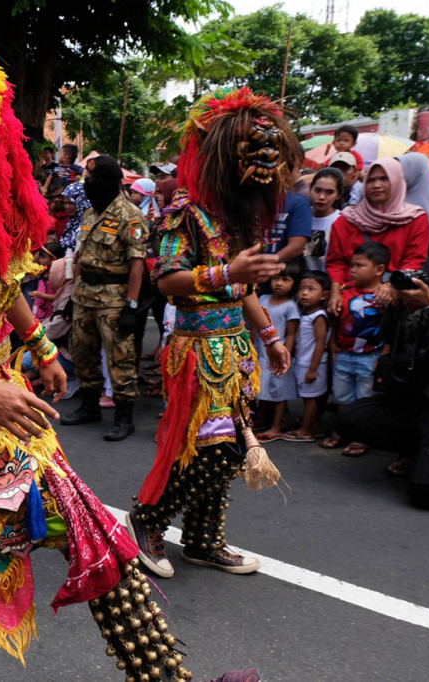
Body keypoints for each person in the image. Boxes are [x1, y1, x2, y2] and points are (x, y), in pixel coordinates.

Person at [0, 27, 260, 682]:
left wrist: (36, 345)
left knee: (100, 545)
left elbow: (4, 292)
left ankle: (169, 679)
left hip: (13, 415)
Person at [126, 87, 294, 581]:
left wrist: (270, 337)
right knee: (214, 449)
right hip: (197, 350)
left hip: (235, 350)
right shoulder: (185, 211)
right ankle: (148, 520)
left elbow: (243, 289)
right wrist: (224, 272)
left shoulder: (232, 217)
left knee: (228, 444)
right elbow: (167, 280)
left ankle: (202, 540)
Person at [335, 258, 429, 507]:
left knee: (425, 493)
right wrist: (399, 305)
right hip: (418, 401)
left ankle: (428, 457)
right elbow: (393, 340)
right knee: (353, 420)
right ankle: (419, 452)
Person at [61, 157, 147, 440]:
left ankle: (124, 417)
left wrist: (132, 304)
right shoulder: (88, 214)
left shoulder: (129, 215)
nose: (88, 185)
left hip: (114, 297)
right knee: (82, 351)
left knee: (120, 357)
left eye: (94, 181)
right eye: (87, 179)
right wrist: (73, 295)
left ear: (111, 184)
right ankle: (89, 406)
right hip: (85, 294)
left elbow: (137, 264)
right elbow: (81, 257)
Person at [326, 158, 429, 317]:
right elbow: (335, 262)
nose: (376, 185)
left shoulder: (415, 218)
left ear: (396, 181)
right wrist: (335, 294)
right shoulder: (346, 220)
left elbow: (414, 260)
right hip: (349, 304)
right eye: (371, 180)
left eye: (384, 178)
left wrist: (391, 286)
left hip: (395, 301)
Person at [320, 243, 389, 455]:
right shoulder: (343, 291)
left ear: (379, 269)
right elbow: (335, 318)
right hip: (343, 354)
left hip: (371, 356)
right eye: (352, 265)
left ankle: (361, 437)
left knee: (364, 399)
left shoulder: (384, 297)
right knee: (342, 397)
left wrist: (384, 356)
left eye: (360, 265)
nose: (353, 269)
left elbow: (390, 328)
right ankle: (342, 431)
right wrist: (332, 342)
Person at [253, 262, 300, 442]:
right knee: (263, 388)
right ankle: (263, 418)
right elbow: (255, 325)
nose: (278, 283)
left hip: (278, 354)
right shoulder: (263, 299)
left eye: (285, 280)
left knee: (279, 391)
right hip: (261, 353)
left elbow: (290, 333)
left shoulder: (290, 306)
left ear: (293, 284)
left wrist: (284, 355)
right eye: (275, 279)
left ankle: (277, 425)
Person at [284, 270, 331, 442]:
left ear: (324, 295)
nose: (304, 293)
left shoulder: (318, 316)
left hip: (312, 364)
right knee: (307, 396)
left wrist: (312, 369)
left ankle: (305, 430)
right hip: (303, 362)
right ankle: (315, 426)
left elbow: (320, 343)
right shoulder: (306, 312)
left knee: (310, 398)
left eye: (311, 289)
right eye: (301, 289)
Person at [304, 168, 344, 271]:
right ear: (310, 189)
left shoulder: (341, 221)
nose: (321, 197)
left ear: (338, 195)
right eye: (317, 190)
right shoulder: (300, 216)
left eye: (329, 192)